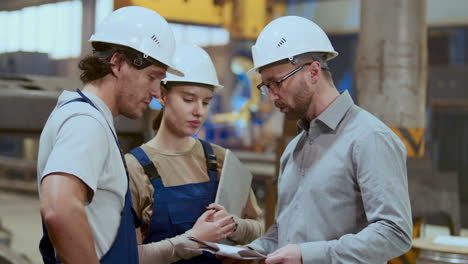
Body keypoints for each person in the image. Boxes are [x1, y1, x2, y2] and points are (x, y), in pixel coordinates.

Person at [242, 16, 412, 264]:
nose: (272, 96)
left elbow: (394, 233)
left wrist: (307, 255)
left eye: (277, 82)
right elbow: (284, 232)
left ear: (313, 71)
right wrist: (253, 251)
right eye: (266, 87)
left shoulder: (369, 138)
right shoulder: (293, 150)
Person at [37, 6, 182, 264]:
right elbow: (58, 207)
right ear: (117, 63)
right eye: (152, 77)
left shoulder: (94, 119)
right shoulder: (85, 122)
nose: (157, 92)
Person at [124, 43, 264, 264]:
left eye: (206, 102)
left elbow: (257, 228)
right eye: (188, 99)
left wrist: (233, 225)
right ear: (162, 95)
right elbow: (128, 256)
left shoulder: (221, 160)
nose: (199, 111)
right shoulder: (133, 168)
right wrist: (193, 241)